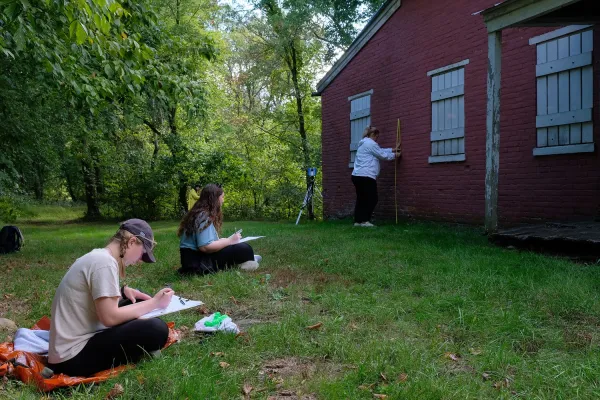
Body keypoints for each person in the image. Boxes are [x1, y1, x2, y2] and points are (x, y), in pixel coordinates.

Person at [48, 219, 174, 377]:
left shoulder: (98, 257)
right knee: (157, 329)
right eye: (142, 254)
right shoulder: (105, 263)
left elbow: (91, 299)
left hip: (69, 348)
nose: (139, 261)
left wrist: (122, 292)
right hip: (71, 358)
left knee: (137, 301)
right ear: (132, 242)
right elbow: (109, 318)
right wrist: (155, 303)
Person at [178, 184, 261, 275]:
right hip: (197, 264)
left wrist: (224, 241)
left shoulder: (199, 214)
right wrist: (229, 241)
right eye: (222, 197)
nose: (223, 200)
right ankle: (247, 261)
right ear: (215, 199)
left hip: (192, 261)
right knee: (245, 248)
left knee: (242, 248)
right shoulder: (203, 216)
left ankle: (247, 260)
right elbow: (205, 247)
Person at [351, 126, 401, 227]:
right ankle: (365, 221)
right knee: (372, 198)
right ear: (372, 135)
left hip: (357, 175)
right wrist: (395, 155)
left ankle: (358, 221)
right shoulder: (371, 143)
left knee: (361, 198)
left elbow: (379, 150)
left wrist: (392, 149)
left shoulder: (363, 143)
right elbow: (381, 155)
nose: (377, 139)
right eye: (376, 137)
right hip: (366, 176)